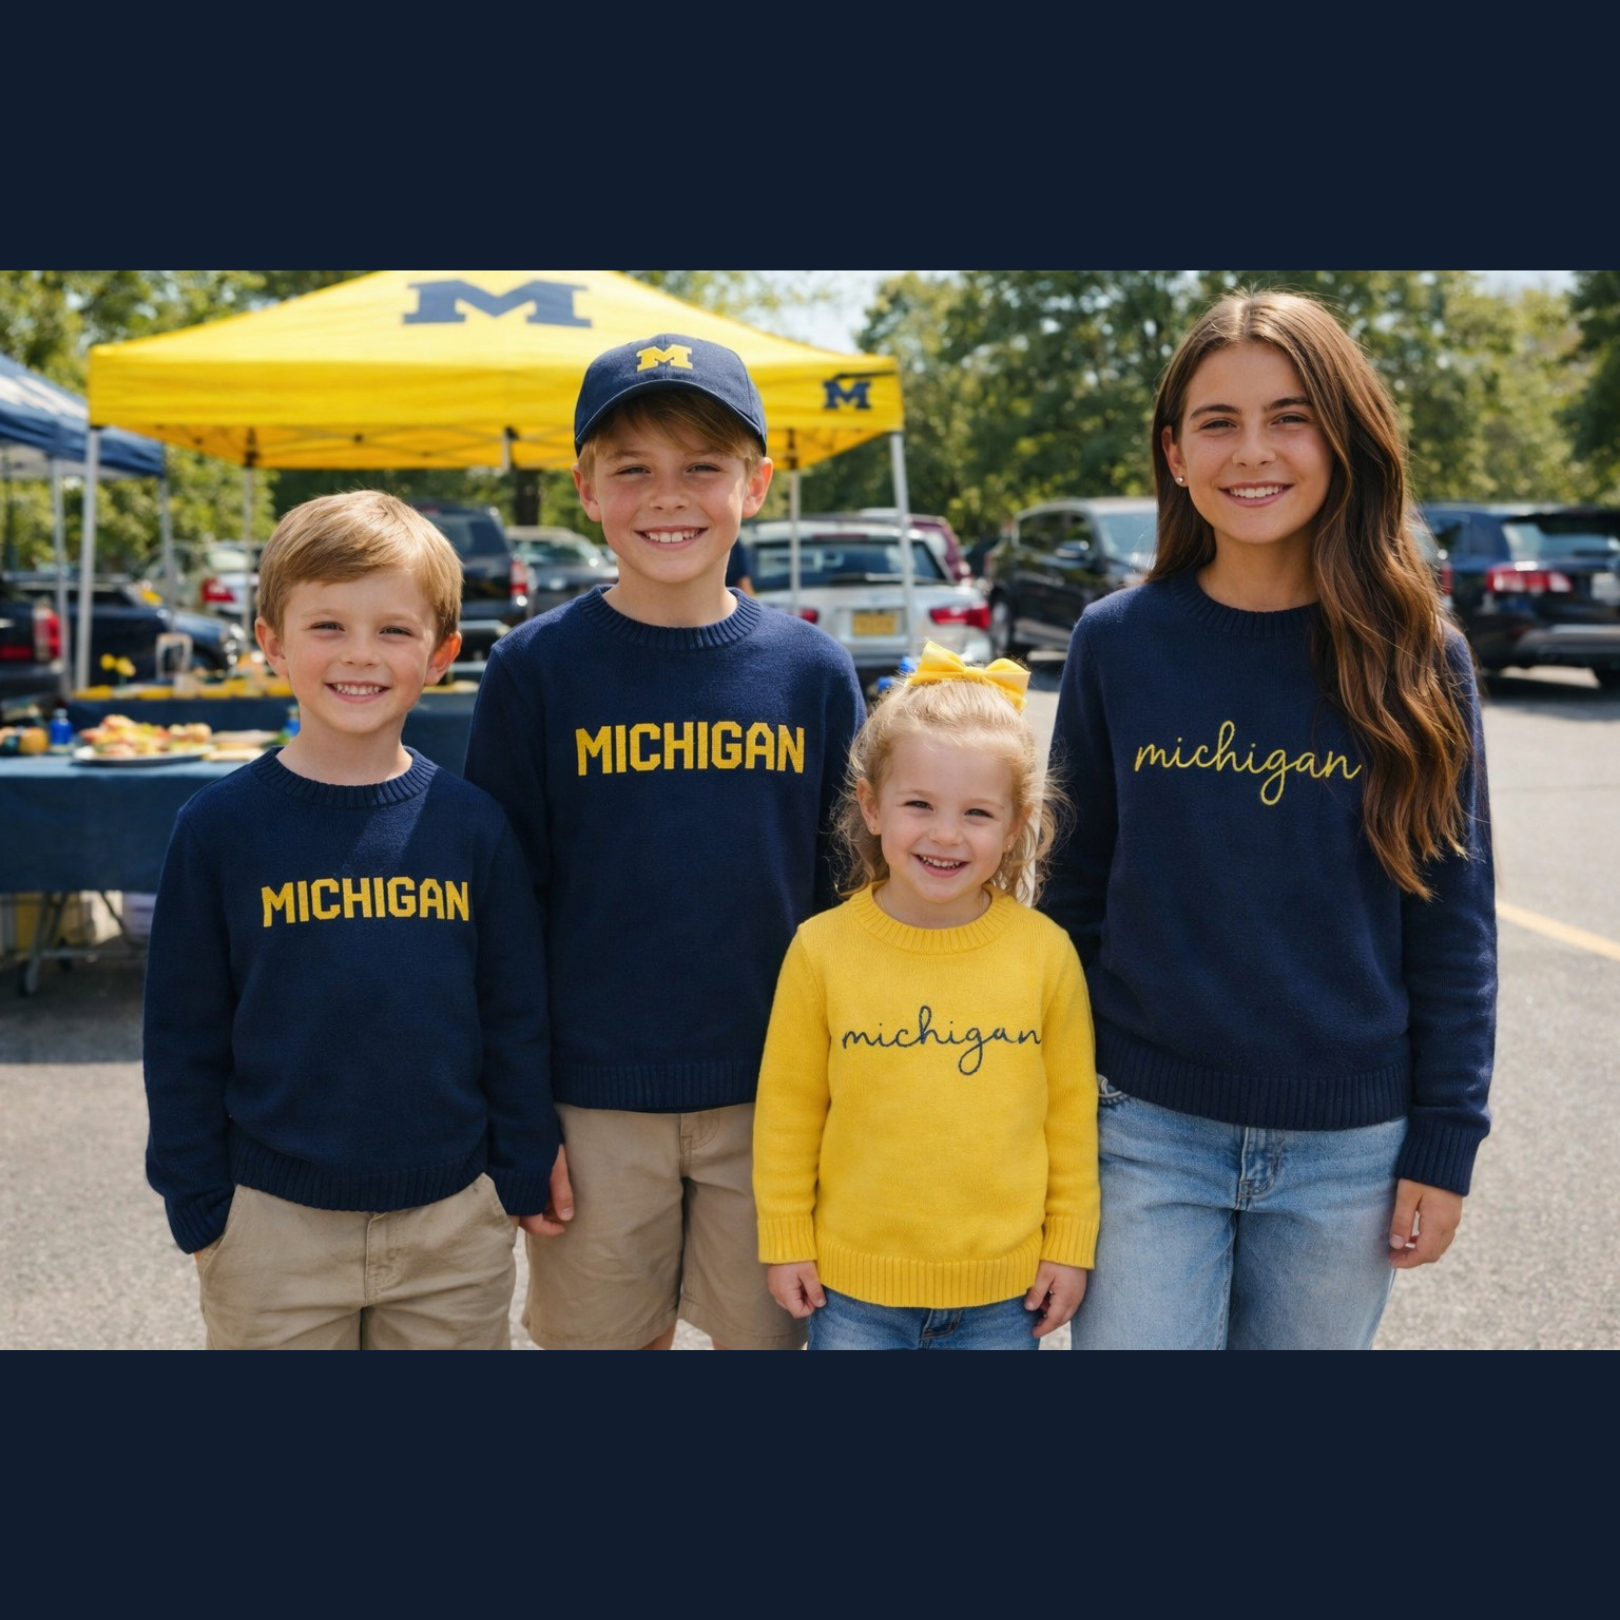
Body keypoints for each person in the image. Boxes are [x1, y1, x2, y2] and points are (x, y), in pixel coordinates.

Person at [1041, 289, 1498, 1350]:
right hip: (1145, 1133)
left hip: (1350, 1151)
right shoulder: (1118, 643)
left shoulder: (1420, 656)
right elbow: (1069, 905)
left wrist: (1445, 1141)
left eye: (1290, 416)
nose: (1254, 452)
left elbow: (1453, 922)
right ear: (1174, 452)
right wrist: (1051, 1128)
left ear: (1344, 437)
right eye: (1219, 422)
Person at [462, 332, 866, 1351]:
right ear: (585, 488)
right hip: (591, 1107)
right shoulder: (534, 669)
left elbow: (853, 902)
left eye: (702, 467)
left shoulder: (812, 672)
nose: (667, 496)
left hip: (775, 1101)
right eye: (632, 469)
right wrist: (519, 1114)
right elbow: (501, 914)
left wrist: (853, 1100)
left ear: (757, 484)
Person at [142, 491, 566, 1350]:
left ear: (443, 653)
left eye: (395, 631)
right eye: (327, 626)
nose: (360, 656)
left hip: (452, 1222)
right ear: (271, 642)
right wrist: (199, 1202)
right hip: (273, 1227)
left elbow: (513, 1013)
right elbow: (183, 1031)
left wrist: (517, 1168)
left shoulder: (472, 827)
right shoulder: (219, 828)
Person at [752, 643, 1100, 1350]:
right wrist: (785, 1238)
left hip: (1005, 1296)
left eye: (977, 812)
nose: (945, 834)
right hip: (852, 1293)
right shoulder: (821, 950)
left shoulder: (1045, 954)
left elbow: (1070, 1117)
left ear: (1015, 824)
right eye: (919, 805)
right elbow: (789, 1111)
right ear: (872, 807)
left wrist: (1069, 1243)